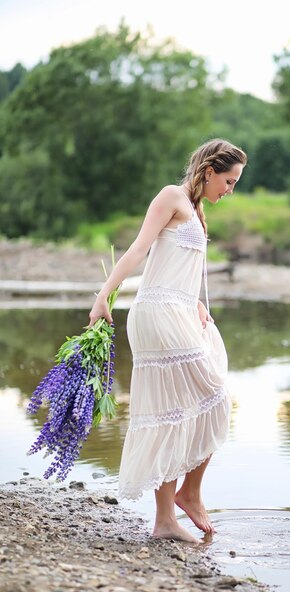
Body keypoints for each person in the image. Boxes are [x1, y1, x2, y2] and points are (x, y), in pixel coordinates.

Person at [88, 138, 247, 542]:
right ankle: (186, 495)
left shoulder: (196, 211)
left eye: (234, 183)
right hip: (157, 313)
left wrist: (194, 301)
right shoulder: (172, 197)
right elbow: (139, 249)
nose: (230, 190)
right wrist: (103, 296)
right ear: (209, 171)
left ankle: (167, 518)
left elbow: (178, 266)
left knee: (181, 410)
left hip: (179, 311)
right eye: (228, 180)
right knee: (209, 398)